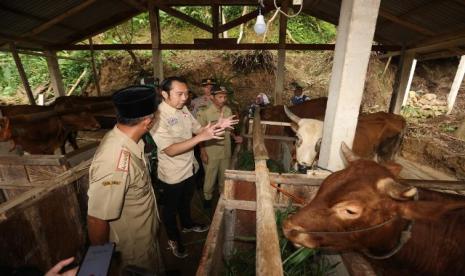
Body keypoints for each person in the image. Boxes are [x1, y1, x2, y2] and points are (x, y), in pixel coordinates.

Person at [150, 76, 238, 258]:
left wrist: (217, 125)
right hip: (172, 174)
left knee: (186, 200)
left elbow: (198, 128)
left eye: (187, 93)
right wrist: (200, 138)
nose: (185, 98)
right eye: (179, 94)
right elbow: (171, 150)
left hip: (190, 167)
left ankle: (188, 224)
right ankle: (173, 238)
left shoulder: (182, 110)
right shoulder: (158, 117)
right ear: (164, 94)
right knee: (170, 209)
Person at [86, 85, 162, 273]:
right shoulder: (115, 160)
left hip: (144, 236)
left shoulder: (128, 140)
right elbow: (97, 219)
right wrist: (101, 265)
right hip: (132, 252)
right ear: (148, 122)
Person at [197, 85, 243, 208]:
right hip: (211, 150)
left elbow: (229, 128)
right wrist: (202, 151)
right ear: (212, 97)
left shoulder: (227, 110)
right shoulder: (204, 112)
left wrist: (234, 137)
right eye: (220, 97)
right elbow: (199, 133)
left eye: (225, 97)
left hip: (226, 150)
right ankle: (207, 200)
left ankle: (222, 199)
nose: (223, 99)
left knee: (224, 177)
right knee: (209, 178)